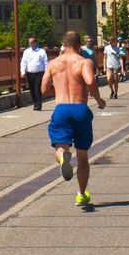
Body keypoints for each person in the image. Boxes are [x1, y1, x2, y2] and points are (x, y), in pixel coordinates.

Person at [42, 31, 107, 209]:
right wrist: (99, 99)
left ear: (63, 45)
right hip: (80, 109)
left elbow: (43, 88)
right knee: (83, 156)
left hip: (62, 109)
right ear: (79, 46)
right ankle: (81, 194)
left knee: (60, 146)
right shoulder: (85, 62)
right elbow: (90, 81)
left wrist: (57, 93)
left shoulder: (53, 63)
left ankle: (63, 157)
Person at [20, 37, 49, 111]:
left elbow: (46, 62)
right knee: (32, 89)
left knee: (37, 89)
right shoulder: (26, 51)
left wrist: (46, 73)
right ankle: (35, 103)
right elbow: (23, 62)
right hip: (29, 73)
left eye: (32, 42)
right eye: (29, 42)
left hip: (39, 73)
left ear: (35, 42)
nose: (30, 44)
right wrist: (23, 71)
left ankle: (38, 105)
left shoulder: (41, 51)